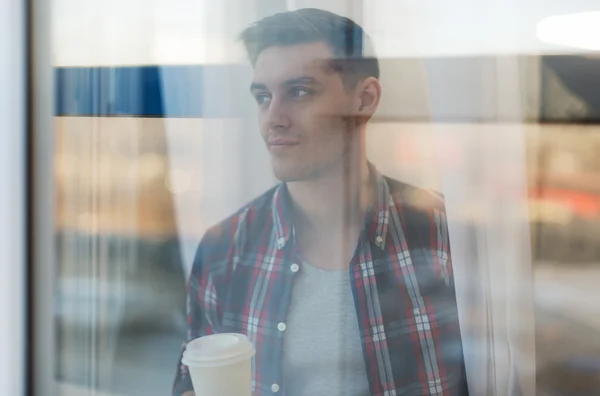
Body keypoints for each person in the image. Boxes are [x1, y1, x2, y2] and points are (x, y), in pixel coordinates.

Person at [173, 8, 467, 396]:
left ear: (364, 99)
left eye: (299, 92)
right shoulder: (224, 250)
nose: (272, 118)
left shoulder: (444, 232)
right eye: (263, 96)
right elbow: (190, 384)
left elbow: (497, 376)